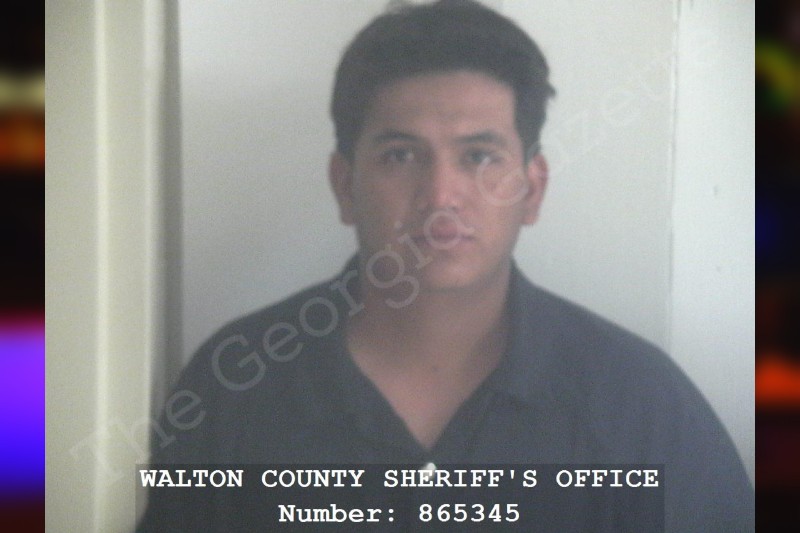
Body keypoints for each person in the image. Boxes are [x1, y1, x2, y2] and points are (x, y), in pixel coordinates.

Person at [138, 1, 753, 531]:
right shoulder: (234, 384)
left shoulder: (639, 404)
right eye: (401, 155)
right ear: (345, 185)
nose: (440, 196)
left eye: (480, 156)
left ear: (532, 190)